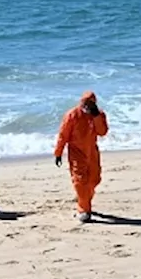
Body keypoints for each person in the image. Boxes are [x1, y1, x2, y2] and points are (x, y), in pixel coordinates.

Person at [54, 91, 109, 222]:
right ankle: (83, 209)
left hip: (92, 151)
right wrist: (58, 153)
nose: (87, 106)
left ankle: (85, 201)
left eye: (90, 104)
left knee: (95, 178)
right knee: (80, 181)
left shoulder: (99, 115)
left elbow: (102, 132)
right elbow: (63, 135)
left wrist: (96, 117)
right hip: (76, 152)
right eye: (85, 103)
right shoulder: (72, 115)